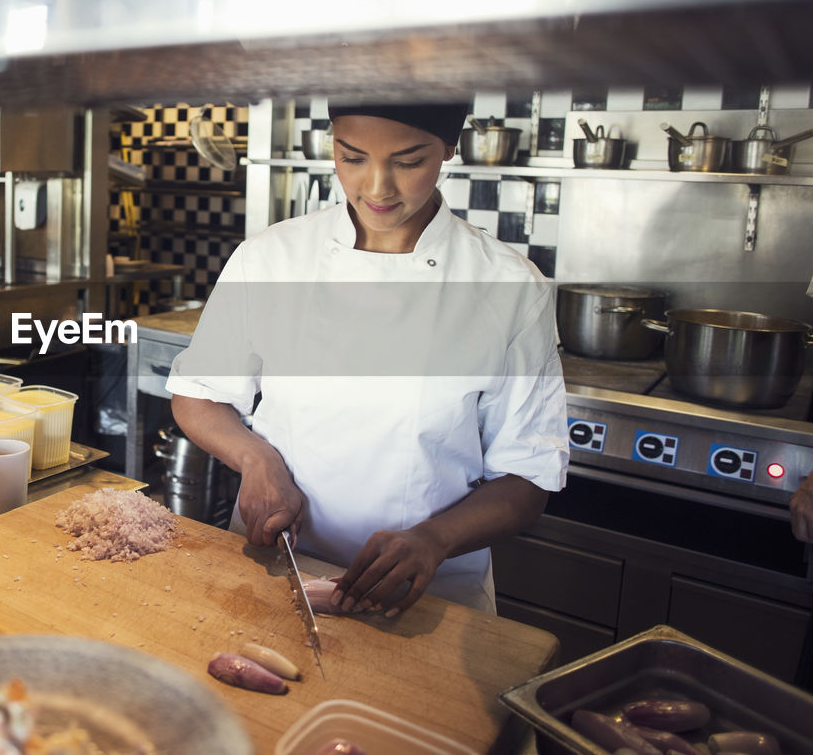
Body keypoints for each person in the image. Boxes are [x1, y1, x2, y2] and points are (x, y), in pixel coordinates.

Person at [166, 101, 569, 617]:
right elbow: (199, 395)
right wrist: (257, 460)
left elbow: (527, 478)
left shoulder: (509, 287)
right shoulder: (272, 257)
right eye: (352, 157)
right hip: (273, 570)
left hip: (425, 598)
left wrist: (434, 539)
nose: (377, 188)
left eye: (407, 162)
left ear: (449, 149)